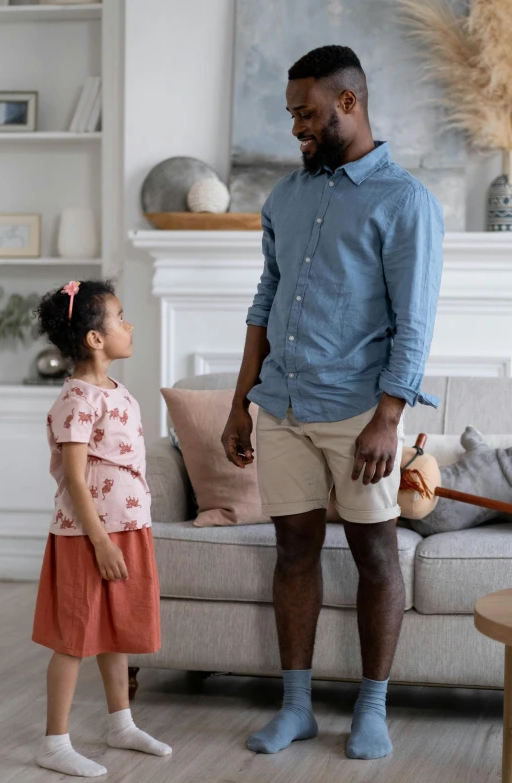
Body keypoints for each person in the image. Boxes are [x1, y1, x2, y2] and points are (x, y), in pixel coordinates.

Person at [221, 45, 443, 761]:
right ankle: (296, 706)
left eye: (306, 114)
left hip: (358, 414)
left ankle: (371, 709)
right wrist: (239, 403)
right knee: (293, 550)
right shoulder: (287, 196)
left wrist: (388, 418)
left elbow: (415, 321)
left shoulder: (405, 201)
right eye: (291, 115)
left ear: (349, 102)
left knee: (376, 553)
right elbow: (264, 303)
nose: (296, 129)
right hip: (281, 403)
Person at [32, 280, 171, 777]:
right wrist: (100, 541)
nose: (129, 326)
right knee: (74, 636)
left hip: (128, 526)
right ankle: (54, 741)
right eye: (120, 318)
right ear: (95, 338)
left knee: (114, 631)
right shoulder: (77, 399)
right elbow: (73, 476)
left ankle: (121, 723)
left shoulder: (119, 392)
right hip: (87, 535)